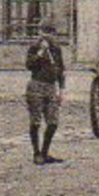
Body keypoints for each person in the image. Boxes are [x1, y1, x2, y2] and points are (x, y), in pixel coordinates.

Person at [25, 24, 66, 165]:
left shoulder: (56, 50)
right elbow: (29, 65)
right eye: (46, 35)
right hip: (36, 86)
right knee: (35, 122)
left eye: (52, 35)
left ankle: (45, 152)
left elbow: (60, 70)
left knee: (53, 122)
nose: (50, 38)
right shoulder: (35, 48)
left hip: (51, 88)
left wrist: (61, 90)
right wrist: (40, 53)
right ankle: (36, 153)